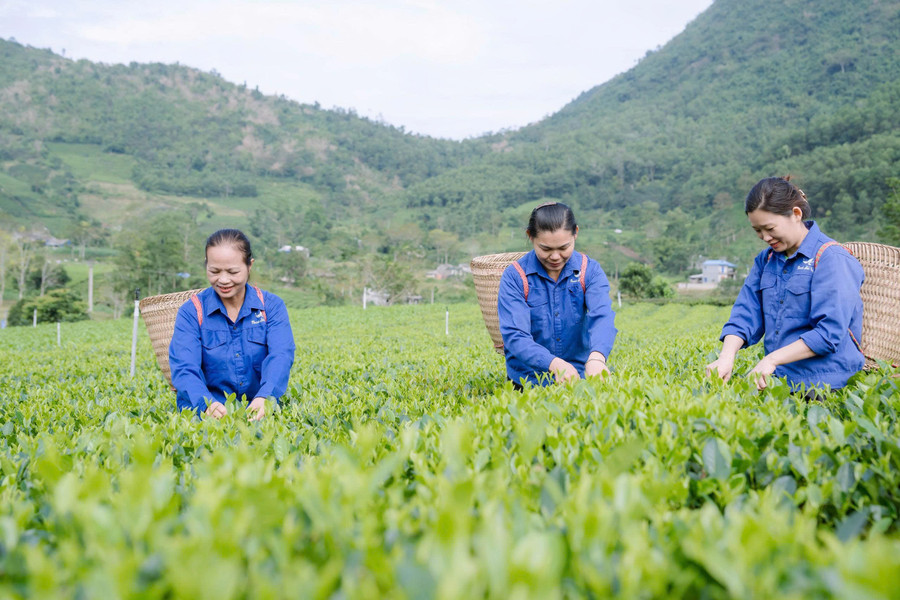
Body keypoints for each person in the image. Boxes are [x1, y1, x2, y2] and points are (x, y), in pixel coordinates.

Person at [706, 176, 864, 393]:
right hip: (778, 382)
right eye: (758, 231)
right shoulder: (766, 260)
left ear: (796, 214)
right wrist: (726, 357)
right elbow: (746, 314)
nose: (765, 237)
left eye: (770, 228)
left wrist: (772, 359)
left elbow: (828, 333)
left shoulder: (831, 258)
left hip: (827, 385)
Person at [169, 229, 295, 419]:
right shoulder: (192, 312)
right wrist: (205, 403)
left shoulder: (271, 306)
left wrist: (265, 397)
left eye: (233, 271)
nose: (223, 280)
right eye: (214, 271)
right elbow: (184, 367)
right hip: (206, 411)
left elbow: (281, 355)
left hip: (258, 407)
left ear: (249, 266)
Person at [498, 201, 617, 387]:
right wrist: (553, 363)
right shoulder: (515, 277)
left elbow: (602, 317)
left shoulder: (590, 271)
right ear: (530, 236)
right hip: (528, 379)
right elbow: (515, 335)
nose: (555, 257)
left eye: (563, 248)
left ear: (575, 233)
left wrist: (597, 358)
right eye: (545, 249)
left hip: (580, 377)